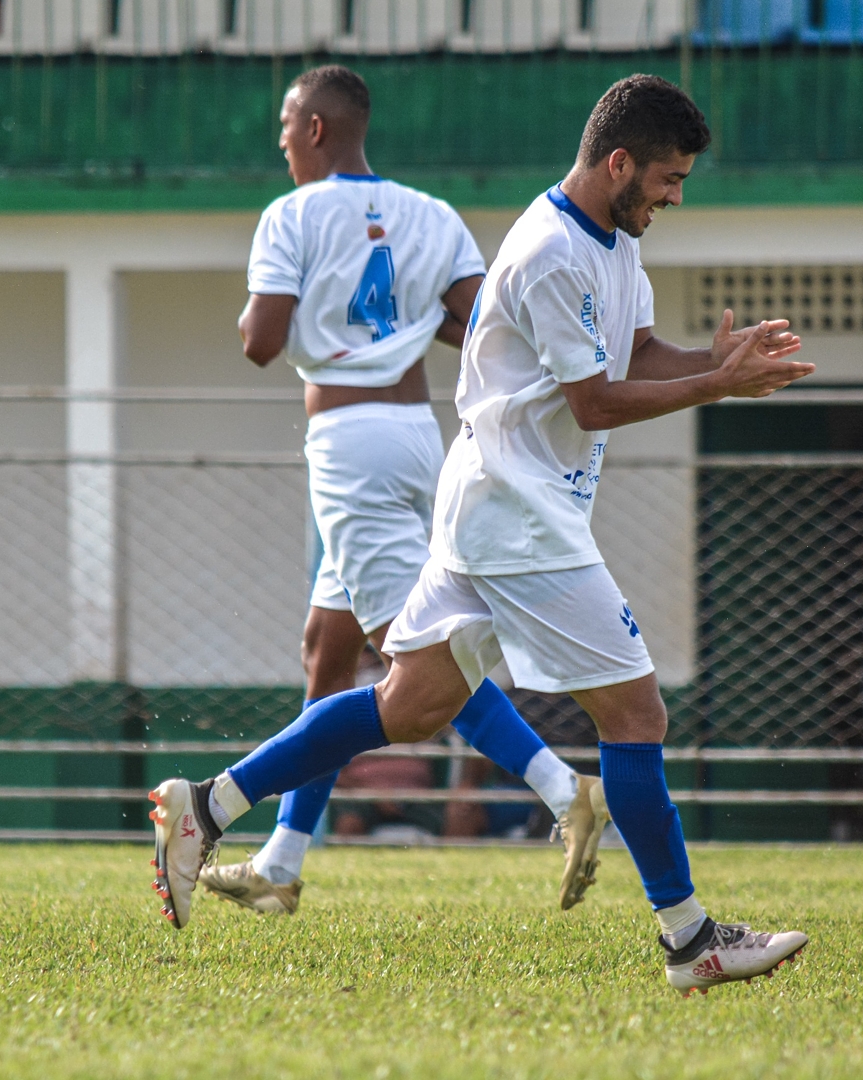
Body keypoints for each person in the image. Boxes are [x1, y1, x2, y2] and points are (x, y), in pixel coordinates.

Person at [148, 73, 815, 996]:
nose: (675, 197)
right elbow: (595, 398)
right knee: (636, 716)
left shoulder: (615, 244)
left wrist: (714, 361)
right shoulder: (547, 251)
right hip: (521, 521)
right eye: (667, 178)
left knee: (407, 705)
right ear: (618, 162)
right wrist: (714, 390)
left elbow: (633, 356)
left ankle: (206, 808)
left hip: (494, 505)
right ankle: (690, 941)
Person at [190, 65, 609, 918]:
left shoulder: (290, 215)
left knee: (410, 657)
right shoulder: (432, 214)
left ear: (313, 129)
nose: (281, 145)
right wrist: (410, 316)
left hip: (348, 442)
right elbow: (480, 322)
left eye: (284, 129)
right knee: (327, 648)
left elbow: (261, 343)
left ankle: (562, 787)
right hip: (425, 436)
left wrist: (264, 315)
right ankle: (282, 859)